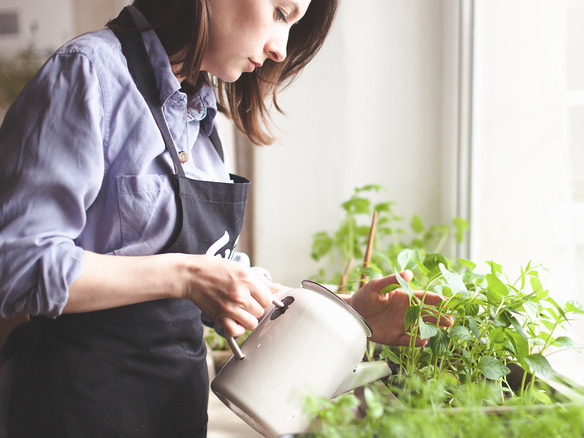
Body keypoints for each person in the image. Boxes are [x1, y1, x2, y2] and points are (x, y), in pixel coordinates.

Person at [0, 1, 449, 436]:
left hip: (169, 416)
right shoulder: (87, 74)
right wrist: (186, 274)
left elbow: (223, 280)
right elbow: (16, 265)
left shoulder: (199, 115)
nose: (281, 48)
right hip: (75, 413)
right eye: (278, 14)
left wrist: (347, 314)